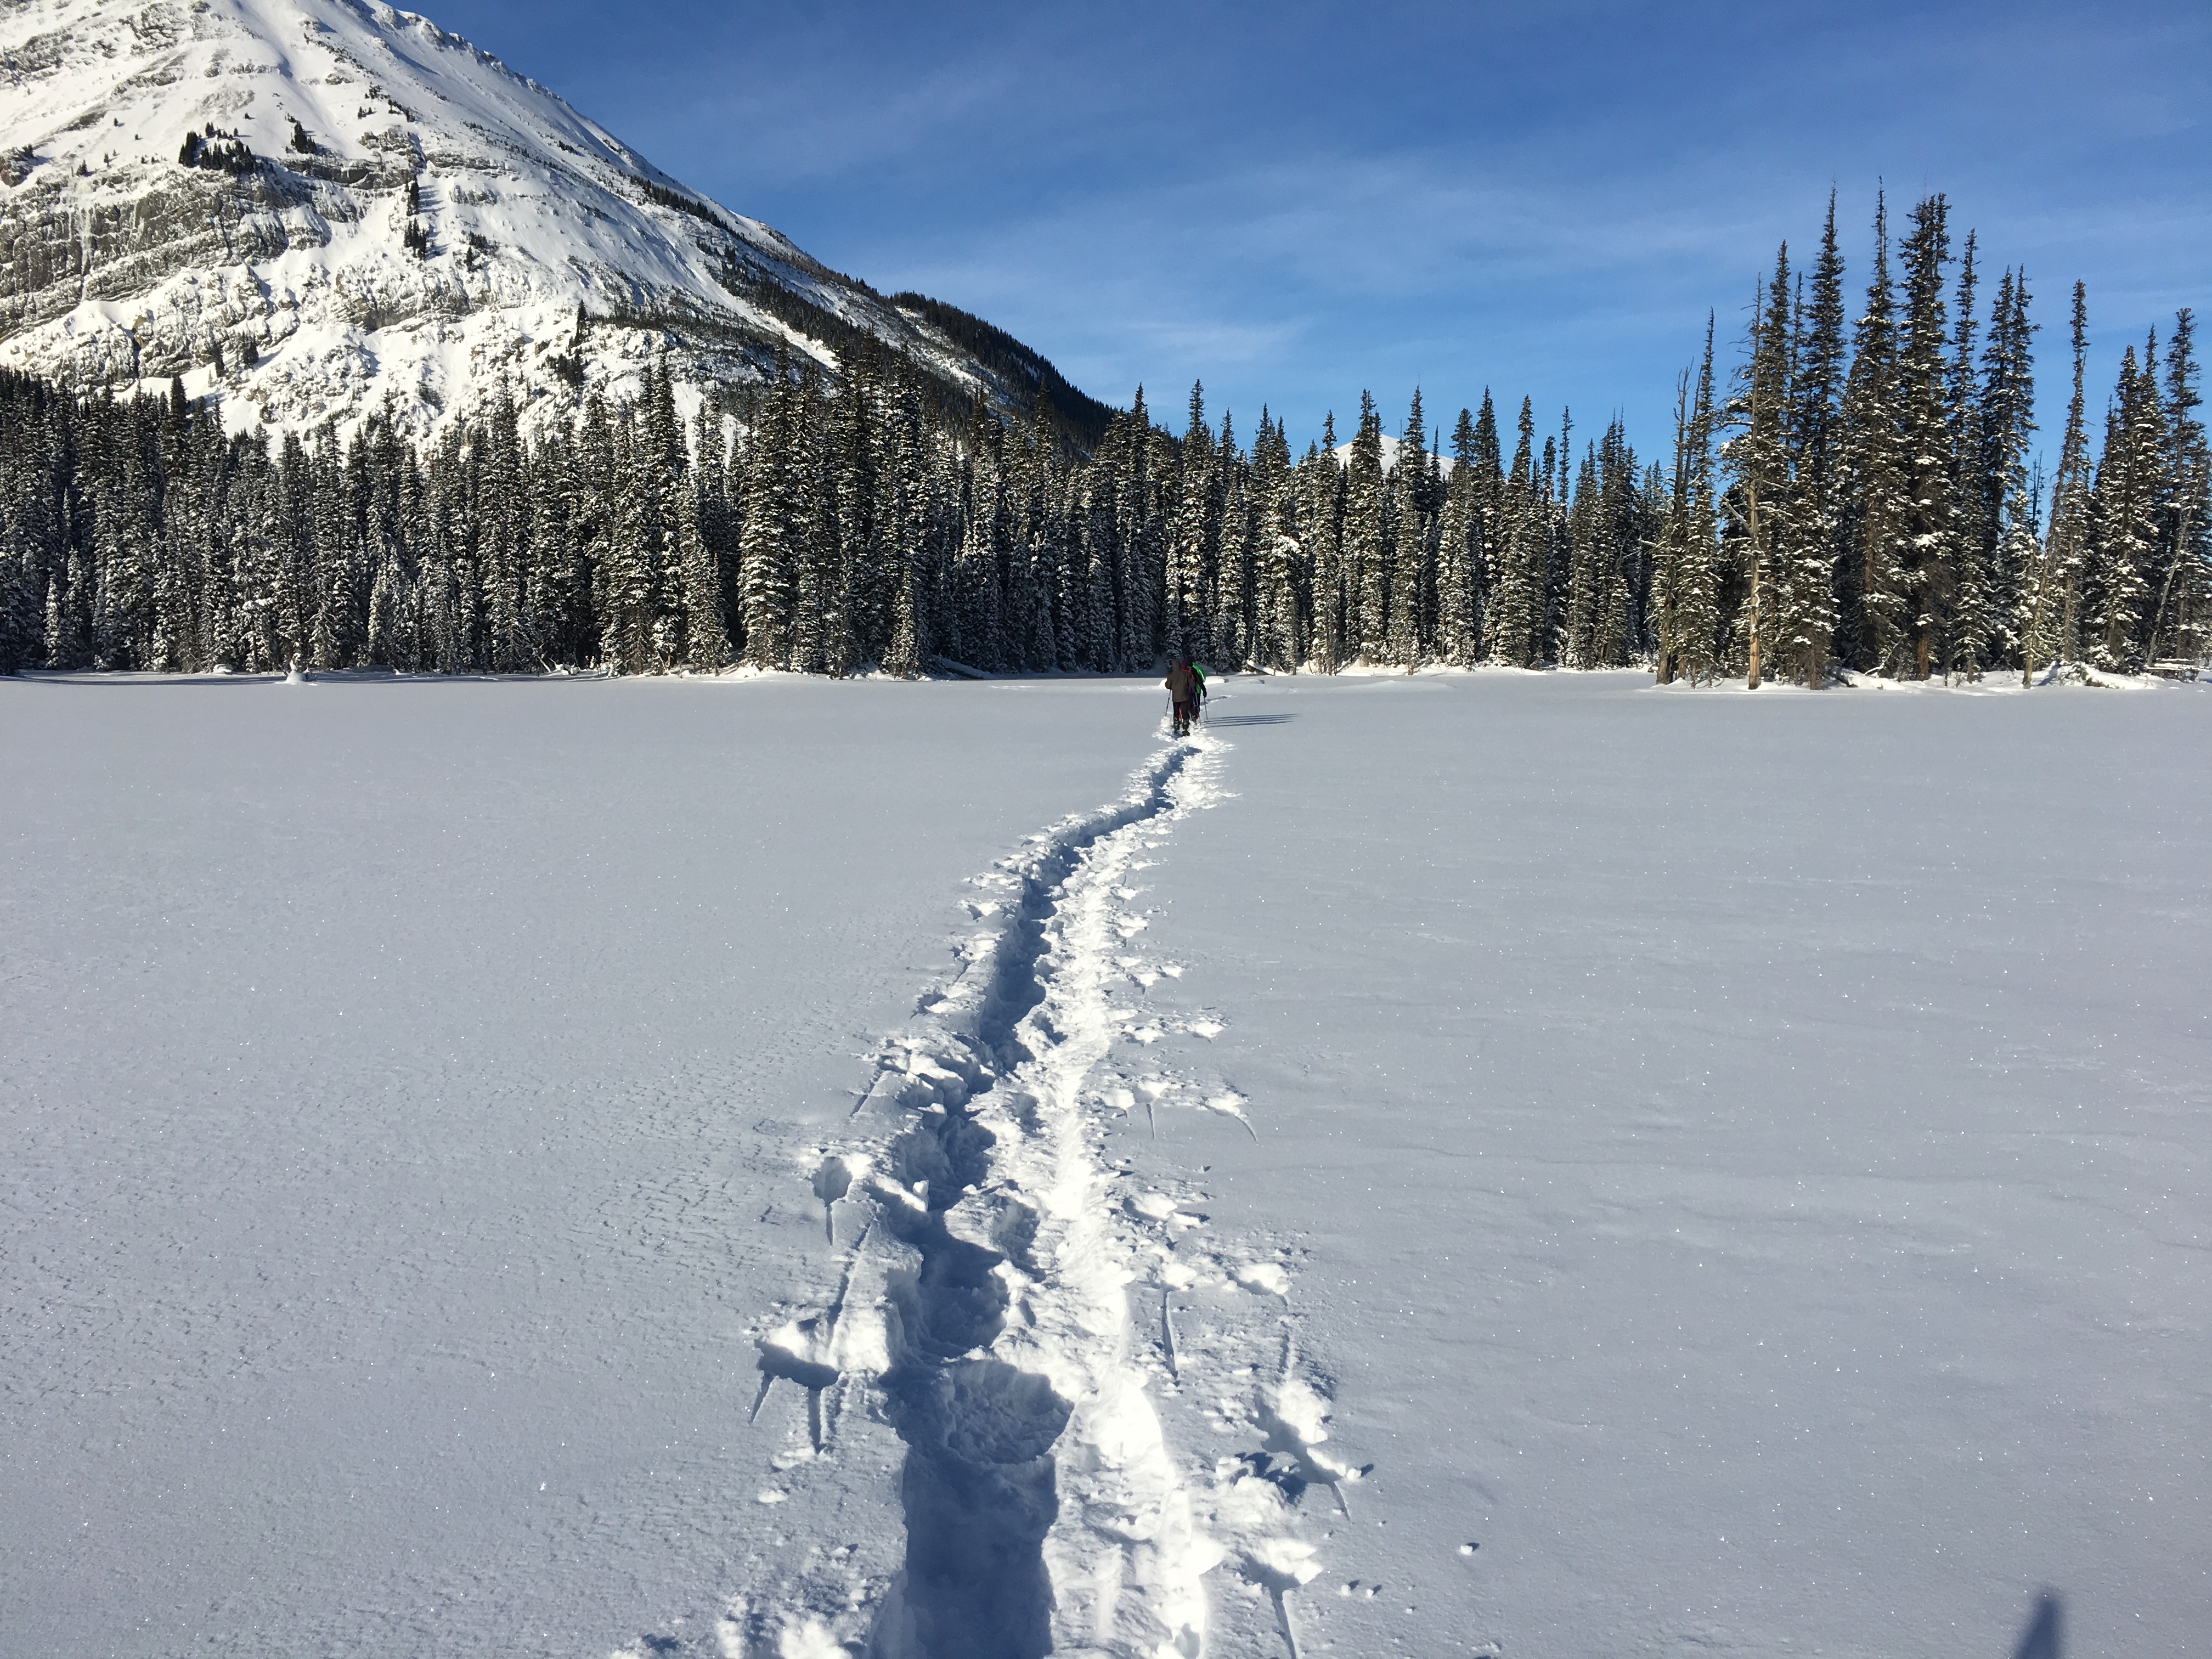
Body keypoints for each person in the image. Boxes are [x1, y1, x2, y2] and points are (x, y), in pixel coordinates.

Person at [1165, 657, 1199, 737]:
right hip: (1185, 696)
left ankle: (1176, 726)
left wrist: (1172, 685)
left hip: (1176, 697)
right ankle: (1185, 727)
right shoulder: (1186, 674)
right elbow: (1192, 684)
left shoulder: (1171, 676)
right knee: (1185, 712)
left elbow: (1168, 686)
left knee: (1176, 711)